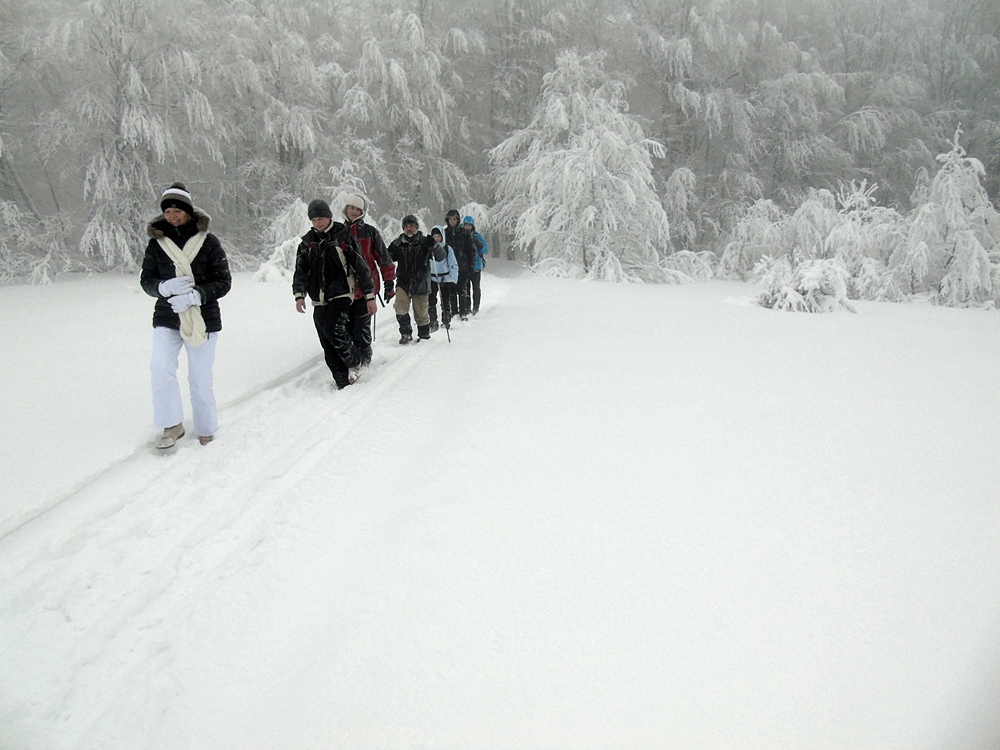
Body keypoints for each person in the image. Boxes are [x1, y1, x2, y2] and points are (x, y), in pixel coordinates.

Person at [140, 182, 232, 449]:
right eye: (167, 211)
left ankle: (205, 427)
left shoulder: (208, 242)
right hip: (167, 315)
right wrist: (163, 287)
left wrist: (197, 295)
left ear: (188, 211)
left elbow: (224, 282)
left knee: (200, 376)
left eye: (177, 211)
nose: (172, 216)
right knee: (160, 368)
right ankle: (171, 425)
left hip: (203, 318)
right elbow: (146, 280)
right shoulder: (157, 244)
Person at [293, 199, 377, 390]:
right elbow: (300, 272)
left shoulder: (343, 236)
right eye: (314, 219)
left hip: (341, 293)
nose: (318, 223)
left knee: (333, 329)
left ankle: (355, 362)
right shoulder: (307, 242)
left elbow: (361, 266)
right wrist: (299, 295)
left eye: (321, 218)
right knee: (326, 339)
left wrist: (369, 295)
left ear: (329, 217)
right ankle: (341, 380)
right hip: (318, 298)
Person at [341, 194, 395, 367]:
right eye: (352, 207)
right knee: (346, 328)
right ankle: (352, 362)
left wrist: (389, 283)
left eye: (358, 209)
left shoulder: (370, 232)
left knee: (361, 329)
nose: (354, 211)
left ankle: (364, 361)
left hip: (366, 289)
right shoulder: (338, 232)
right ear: (346, 209)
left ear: (362, 212)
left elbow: (384, 259)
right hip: (343, 289)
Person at [387, 215, 434, 344]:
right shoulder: (398, 243)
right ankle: (406, 333)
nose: (409, 229)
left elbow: (439, 256)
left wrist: (434, 246)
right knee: (400, 308)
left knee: (421, 313)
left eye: (411, 226)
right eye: (406, 226)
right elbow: (387, 258)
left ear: (416, 227)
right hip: (403, 282)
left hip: (421, 282)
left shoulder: (424, 242)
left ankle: (424, 336)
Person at [444, 208, 477, 320]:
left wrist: (471, 266)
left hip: (462, 266)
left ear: (458, 220)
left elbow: (471, 251)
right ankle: (454, 312)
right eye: (450, 219)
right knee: (451, 290)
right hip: (449, 267)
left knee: (462, 289)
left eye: (454, 219)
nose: (452, 221)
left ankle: (463, 312)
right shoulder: (445, 233)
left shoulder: (464, 233)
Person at [428, 225, 458, 330]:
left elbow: (453, 264)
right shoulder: (429, 249)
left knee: (445, 300)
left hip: (445, 278)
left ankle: (446, 320)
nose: (436, 239)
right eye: (434, 237)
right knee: (431, 300)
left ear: (442, 237)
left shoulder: (447, 248)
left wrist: (453, 280)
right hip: (432, 277)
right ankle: (433, 321)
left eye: (438, 236)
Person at [463, 215, 488, 314]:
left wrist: (479, 246)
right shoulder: (461, 236)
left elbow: (485, 249)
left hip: (476, 266)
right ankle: (467, 307)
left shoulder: (477, 236)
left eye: (469, 225)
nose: (468, 227)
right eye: (466, 225)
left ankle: (476, 306)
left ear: (472, 226)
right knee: (466, 288)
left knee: (476, 288)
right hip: (465, 266)